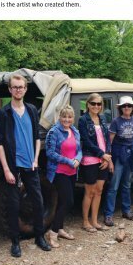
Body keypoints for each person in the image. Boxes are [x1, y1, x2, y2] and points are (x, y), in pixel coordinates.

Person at [0, 74, 51, 257]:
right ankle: (15, 241)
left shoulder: (32, 109)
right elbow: (0, 143)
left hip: (30, 165)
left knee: (38, 201)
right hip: (12, 165)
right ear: (10, 90)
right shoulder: (3, 113)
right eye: (15, 87)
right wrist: (6, 169)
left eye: (21, 87)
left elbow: (36, 137)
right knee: (13, 204)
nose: (18, 90)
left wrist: (35, 159)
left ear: (25, 89)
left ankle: (40, 236)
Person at [45, 105, 82, 247]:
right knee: (68, 202)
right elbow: (50, 153)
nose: (67, 119)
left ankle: (59, 228)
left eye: (70, 117)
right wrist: (68, 161)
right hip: (59, 172)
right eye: (64, 116)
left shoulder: (75, 131)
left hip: (72, 171)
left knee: (62, 202)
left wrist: (78, 159)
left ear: (73, 118)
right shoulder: (54, 132)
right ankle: (52, 233)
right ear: (60, 117)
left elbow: (79, 149)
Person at [103, 95, 133, 226]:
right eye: (124, 106)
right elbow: (110, 141)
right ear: (120, 108)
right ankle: (108, 214)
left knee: (127, 185)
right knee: (113, 186)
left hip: (131, 156)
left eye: (129, 106)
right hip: (118, 156)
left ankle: (126, 210)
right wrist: (110, 160)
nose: (127, 108)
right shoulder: (115, 121)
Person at [78, 93, 113, 232]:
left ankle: (95, 221)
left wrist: (107, 156)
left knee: (99, 191)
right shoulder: (83, 120)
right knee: (89, 191)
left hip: (103, 159)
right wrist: (102, 154)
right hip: (90, 158)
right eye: (93, 104)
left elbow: (107, 139)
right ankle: (86, 222)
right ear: (88, 104)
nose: (96, 106)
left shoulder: (103, 118)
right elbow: (86, 141)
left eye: (99, 104)